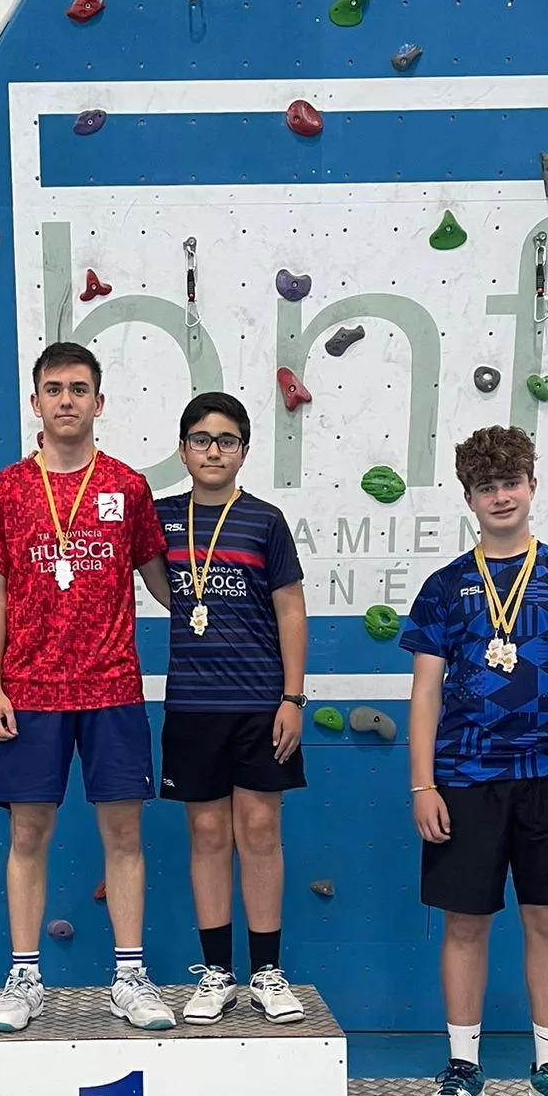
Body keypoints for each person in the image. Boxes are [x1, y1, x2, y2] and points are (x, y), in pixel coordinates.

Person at [402, 424, 548, 1096]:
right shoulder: (445, 587)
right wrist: (422, 783)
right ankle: (464, 1067)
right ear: (468, 496)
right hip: (463, 778)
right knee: (465, 924)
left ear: (531, 484)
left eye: (510, 481)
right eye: (486, 486)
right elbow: (425, 692)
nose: (500, 495)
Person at [0, 341, 174, 1032]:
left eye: (79, 388)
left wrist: (226, 606)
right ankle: (24, 977)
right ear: (36, 402)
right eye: (54, 388)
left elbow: (161, 579)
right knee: (28, 833)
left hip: (112, 685)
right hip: (30, 691)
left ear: (99, 401)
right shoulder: (5, 489)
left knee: (124, 833)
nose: (66, 400)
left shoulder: (127, 486)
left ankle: (129, 975)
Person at [157, 391, 309, 1023]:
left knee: (259, 831)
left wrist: (293, 697)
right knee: (208, 832)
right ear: (184, 449)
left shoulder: (265, 521)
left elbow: (291, 609)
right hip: (194, 706)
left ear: (244, 451)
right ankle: (217, 973)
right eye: (201, 439)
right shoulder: (162, 519)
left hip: (259, 703)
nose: (212, 450)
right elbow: (162, 585)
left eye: (226, 440)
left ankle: (267, 972)